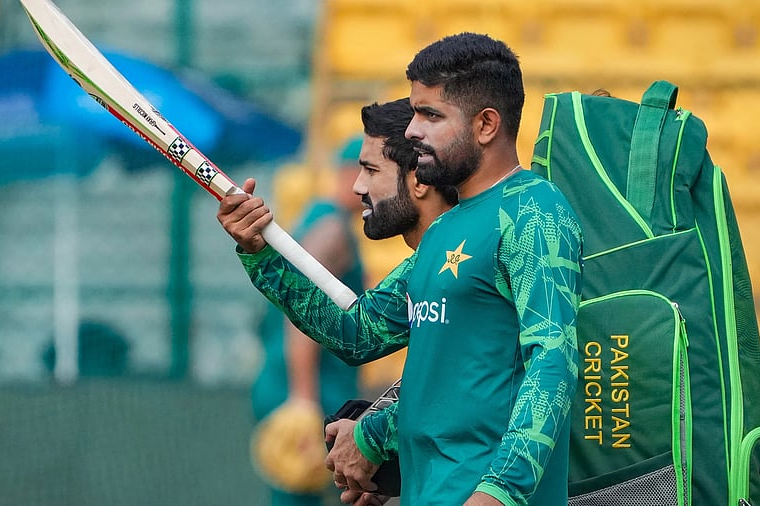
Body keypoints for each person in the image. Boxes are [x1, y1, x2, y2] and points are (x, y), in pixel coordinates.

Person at [218, 32, 583, 505]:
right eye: (414, 113)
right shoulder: (448, 229)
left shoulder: (534, 211)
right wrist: (259, 254)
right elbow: (358, 333)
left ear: (487, 125)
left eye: (430, 115)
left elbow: (553, 361)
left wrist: (499, 492)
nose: (412, 130)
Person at [331, 97, 458, 506]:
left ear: (419, 178)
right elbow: (357, 335)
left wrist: (370, 437)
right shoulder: (430, 258)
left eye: (370, 170)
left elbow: (469, 389)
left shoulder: (466, 254)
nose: (358, 187)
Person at [249, 138, 366, 505]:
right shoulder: (331, 230)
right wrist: (303, 398)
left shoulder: (318, 220)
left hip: (294, 381)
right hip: (305, 387)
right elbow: (301, 315)